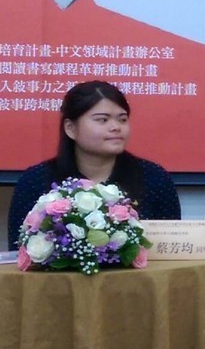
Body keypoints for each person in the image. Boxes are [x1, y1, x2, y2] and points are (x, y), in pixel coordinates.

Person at [7, 81, 180, 250]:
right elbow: (18, 251)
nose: (116, 127)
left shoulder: (154, 178)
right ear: (70, 128)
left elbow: (171, 251)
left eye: (122, 119)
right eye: (102, 120)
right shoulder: (35, 180)